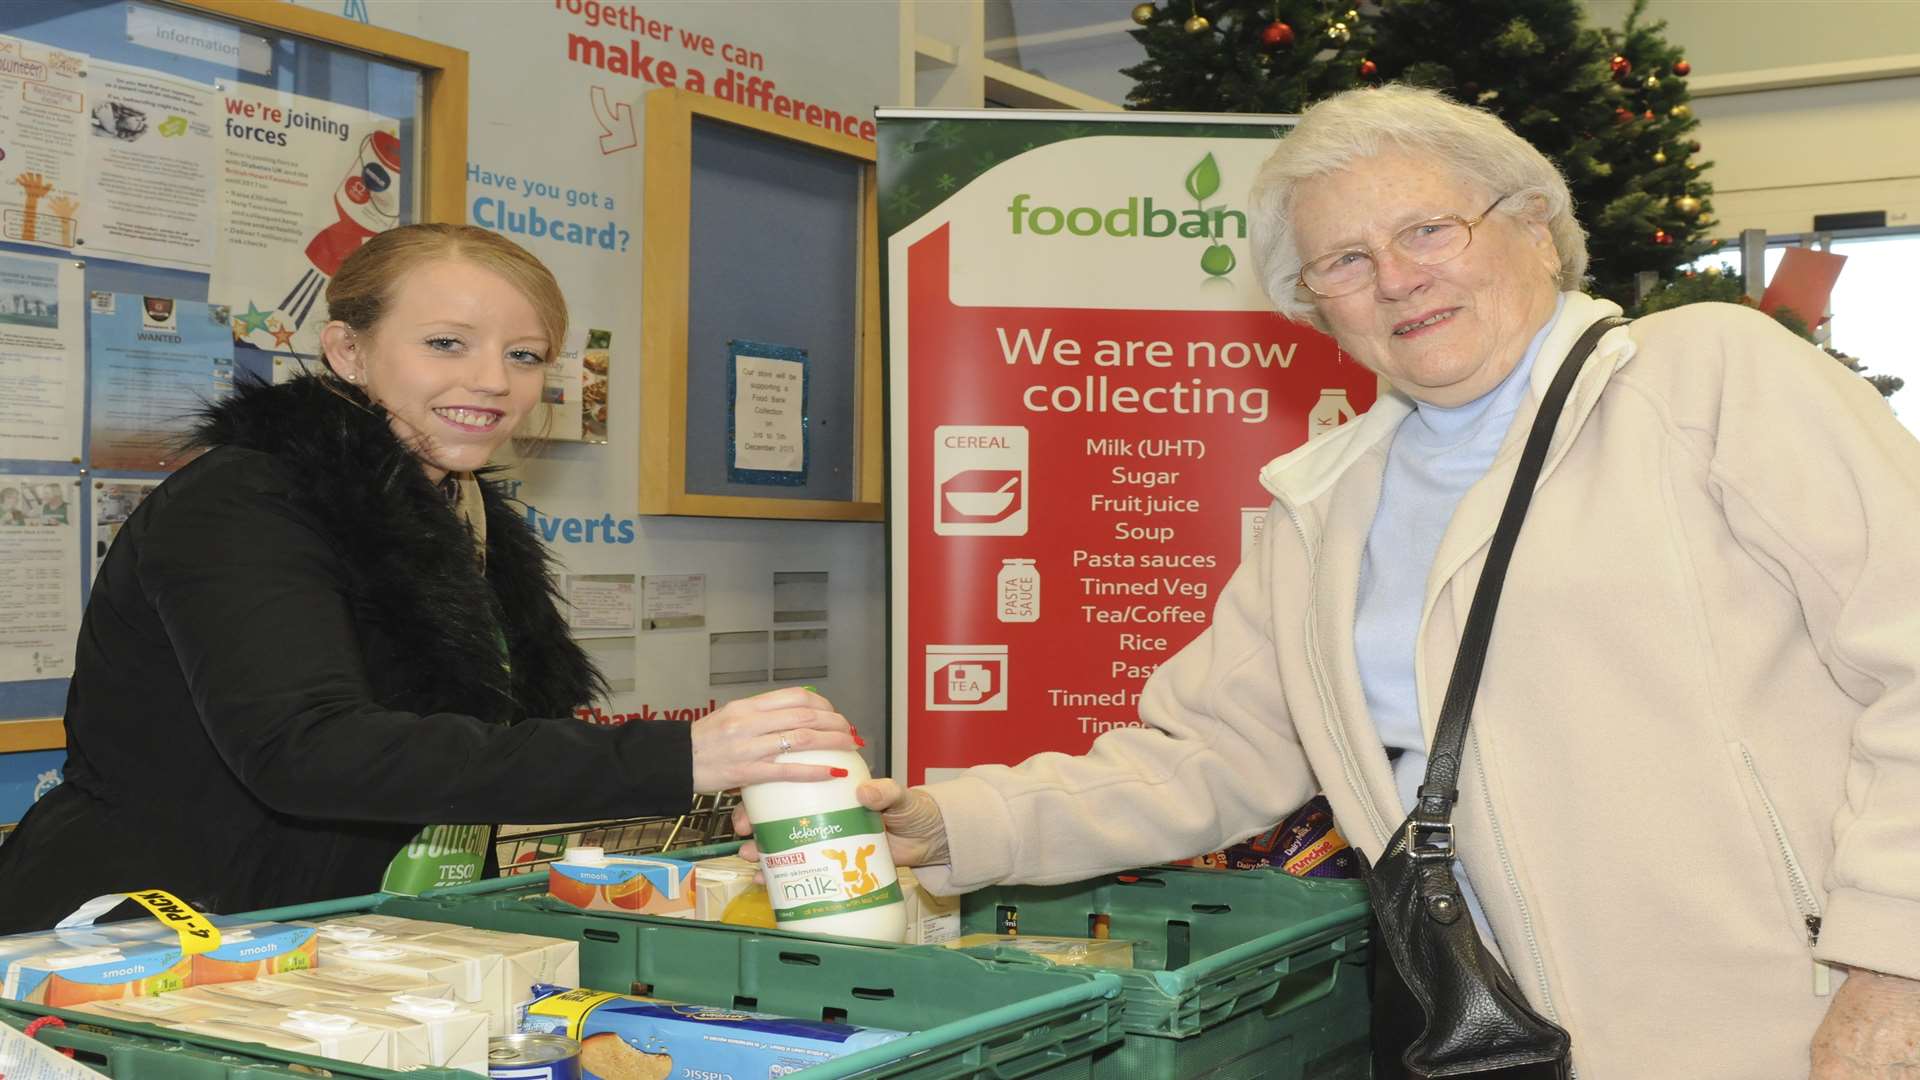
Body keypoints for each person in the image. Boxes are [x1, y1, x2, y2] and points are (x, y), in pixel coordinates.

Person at [749, 87, 1920, 1077]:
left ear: (1536, 229)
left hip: (1791, 1016)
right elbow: (1207, 755)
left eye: (1430, 231)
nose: (1397, 279)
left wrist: (1892, 967)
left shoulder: (1707, 376)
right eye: (1346, 262)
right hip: (1494, 1025)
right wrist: (951, 821)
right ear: (1317, 308)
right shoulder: (1326, 500)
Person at [0, 224, 856, 932]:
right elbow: (308, 751)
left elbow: (476, 754)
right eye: (447, 344)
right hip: (149, 937)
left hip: (344, 933)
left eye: (525, 355)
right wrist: (681, 754)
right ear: (348, 349)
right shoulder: (244, 497)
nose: (493, 381)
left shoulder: (462, 516)